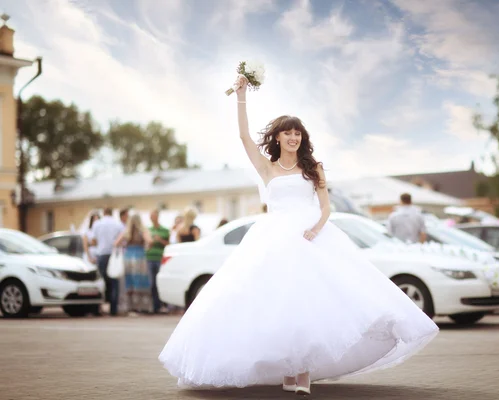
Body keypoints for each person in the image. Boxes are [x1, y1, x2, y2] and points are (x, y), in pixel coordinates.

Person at [158, 76, 438, 395]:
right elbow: (243, 136)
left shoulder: (313, 167)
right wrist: (241, 96)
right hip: (274, 239)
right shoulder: (267, 168)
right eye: (287, 132)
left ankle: (303, 372)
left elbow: (326, 207)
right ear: (277, 138)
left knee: (311, 303)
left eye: (297, 132)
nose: (293, 137)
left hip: (311, 237)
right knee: (279, 306)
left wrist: (317, 229)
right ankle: (288, 371)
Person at [114, 213, 153, 315]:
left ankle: (131, 307)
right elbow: (150, 241)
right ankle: (142, 306)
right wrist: (146, 248)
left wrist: (125, 245)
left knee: (129, 281)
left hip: (128, 256)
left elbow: (116, 243)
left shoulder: (126, 231)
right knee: (140, 281)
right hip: (139, 256)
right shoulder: (143, 230)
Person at [91, 207, 124, 316]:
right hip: (113, 255)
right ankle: (113, 309)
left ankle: (97, 308)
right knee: (114, 283)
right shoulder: (118, 224)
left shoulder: (97, 224)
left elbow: (94, 240)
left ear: (103, 213)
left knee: (100, 281)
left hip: (101, 254)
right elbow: (121, 239)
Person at [146, 209, 170, 314]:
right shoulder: (148, 230)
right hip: (150, 257)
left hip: (160, 257)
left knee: (160, 282)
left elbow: (168, 244)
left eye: (154, 216)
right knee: (152, 283)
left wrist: (159, 240)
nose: (152, 218)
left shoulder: (164, 230)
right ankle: (155, 305)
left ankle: (163, 304)